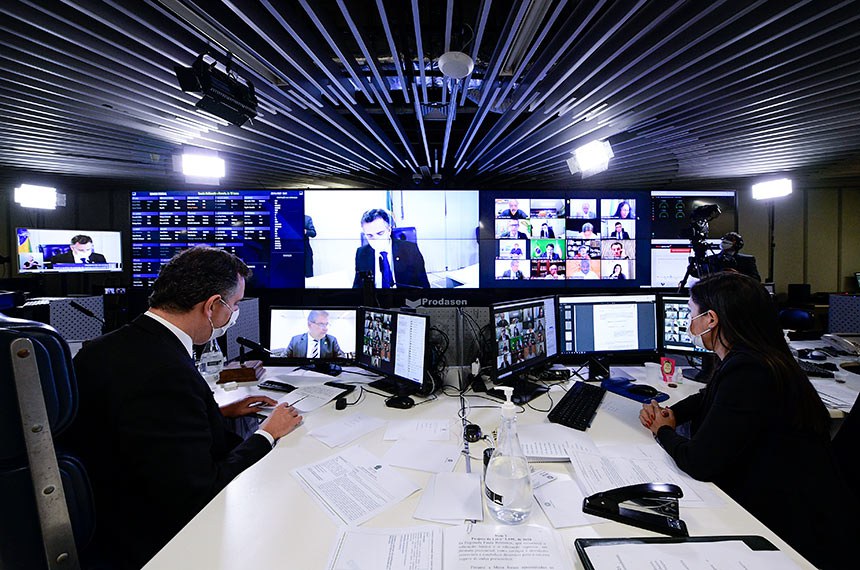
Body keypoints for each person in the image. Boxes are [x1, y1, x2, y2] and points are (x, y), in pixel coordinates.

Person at [67, 246, 303, 569]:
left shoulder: (105, 347)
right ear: (212, 306)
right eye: (234, 305)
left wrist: (217, 413)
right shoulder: (165, 371)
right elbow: (200, 491)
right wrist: (267, 433)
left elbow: (140, 428)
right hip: (150, 541)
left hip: (106, 512)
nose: (235, 314)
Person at [639, 272, 854, 570]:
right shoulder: (758, 357)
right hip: (798, 503)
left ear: (711, 320)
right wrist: (674, 413)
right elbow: (707, 396)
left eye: (691, 313)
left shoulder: (748, 371)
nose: (689, 322)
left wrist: (663, 431)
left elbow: (700, 462)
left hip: (790, 531)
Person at [352, 209, 430, 289]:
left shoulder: (410, 250)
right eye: (370, 235)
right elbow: (358, 286)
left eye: (380, 233)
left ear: (389, 230)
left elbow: (423, 285)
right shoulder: (361, 254)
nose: (375, 239)